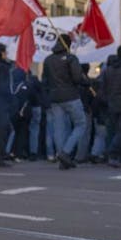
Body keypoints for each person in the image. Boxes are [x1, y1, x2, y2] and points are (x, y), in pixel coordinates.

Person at [41, 34, 90, 170]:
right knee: (81, 124)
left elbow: (44, 81)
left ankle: (63, 158)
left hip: (55, 98)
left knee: (59, 129)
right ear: (68, 45)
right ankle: (65, 153)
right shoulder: (71, 58)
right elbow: (77, 78)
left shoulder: (48, 60)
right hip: (71, 96)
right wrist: (87, 82)